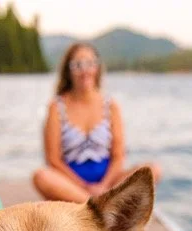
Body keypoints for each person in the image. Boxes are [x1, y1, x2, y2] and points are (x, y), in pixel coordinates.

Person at [32, 43, 161, 203]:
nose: (84, 70)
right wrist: (83, 186)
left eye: (90, 63)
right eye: (77, 65)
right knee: (41, 176)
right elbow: (53, 160)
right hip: (72, 185)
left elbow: (118, 156)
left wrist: (104, 185)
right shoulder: (56, 107)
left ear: (97, 68)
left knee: (152, 170)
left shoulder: (111, 105)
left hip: (108, 183)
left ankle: (94, 203)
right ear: (69, 70)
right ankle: (97, 204)